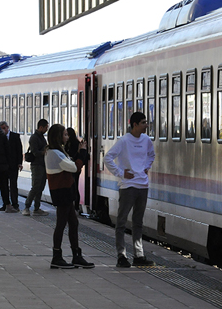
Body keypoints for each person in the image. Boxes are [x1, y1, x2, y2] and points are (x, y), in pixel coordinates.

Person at [104, 112, 156, 268]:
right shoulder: (124, 141)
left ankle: (138, 255)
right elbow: (108, 157)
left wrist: (146, 167)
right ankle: (121, 255)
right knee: (121, 221)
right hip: (128, 186)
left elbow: (151, 155)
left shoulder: (146, 140)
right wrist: (121, 173)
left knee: (138, 222)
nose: (146, 125)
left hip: (143, 185)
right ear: (135, 124)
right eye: (143, 122)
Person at [45, 124, 94, 269]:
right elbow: (74, 167)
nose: (67, 137)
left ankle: (76, 255)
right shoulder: (54, 152)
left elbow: (70, 163)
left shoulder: (58, 151)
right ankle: (57, 256)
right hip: (62, 191)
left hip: (65, 190)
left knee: (73, 223)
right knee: (61, 224)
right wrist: (83, 153)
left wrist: (78, 154)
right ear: (58, 136)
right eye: (65, 134)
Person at [23, 119, 50, 216]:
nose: (47, 129)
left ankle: (37, 208)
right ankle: (27, 207)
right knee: (35, 187)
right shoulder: (34, 138)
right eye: (46, 127)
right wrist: (44, 152)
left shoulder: (42, 137)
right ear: (41, 127)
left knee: (41, 187)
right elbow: (35, 152)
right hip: (36, 165)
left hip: (43, 165)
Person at [0, 121, 22, 212]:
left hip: (13, 165)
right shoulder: (0, 138)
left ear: (8, 127)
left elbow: (19, 150)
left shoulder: (15, 136)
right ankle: (5, 204)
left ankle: (15, 204)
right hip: (3, 165)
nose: (4, 130)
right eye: (2, 128)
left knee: (13, 185)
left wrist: (19, 163)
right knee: (4, 186)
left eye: (5, 128)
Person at [65, 127, 89, 213]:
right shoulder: (76, 143)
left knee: (73, 186)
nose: (66, 136)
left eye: (66, 134)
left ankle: (74, 206)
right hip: (76, 168)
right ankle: (76, 206)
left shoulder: (71, 144)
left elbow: (72, 156)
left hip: (74, 167)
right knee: (75, 186)